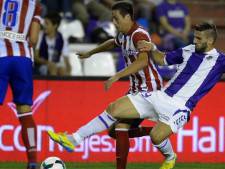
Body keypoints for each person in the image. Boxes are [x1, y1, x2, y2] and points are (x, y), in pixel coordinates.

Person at [48, 1, 176, 169]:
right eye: (112, 19)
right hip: (137, 89)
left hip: (150, 89)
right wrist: (91, 52)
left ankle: (74, 139)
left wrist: (117, 75)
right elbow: (111, 42)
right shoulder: (123, 35)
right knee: (117, 130)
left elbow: (143, 62)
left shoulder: (139, 35)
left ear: (128, 17)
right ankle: (164, 145)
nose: (114, 23)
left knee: (113, 109)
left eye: (116, 19)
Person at [0, 0, 42, 169]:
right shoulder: (34, 4)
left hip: (0, 55)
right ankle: (32, 161)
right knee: (25, 111)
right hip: (22, 58)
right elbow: (33, 39)